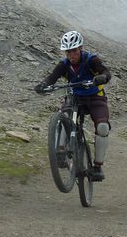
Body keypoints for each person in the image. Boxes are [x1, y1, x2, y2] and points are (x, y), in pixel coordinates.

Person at [34, 31, 111, 181]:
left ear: (80, 48)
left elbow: (106, 72)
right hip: (75, 98)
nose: (71, 55)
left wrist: (103, 77)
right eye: (68, 51)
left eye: (74, 50)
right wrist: (43, 85)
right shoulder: (64, 65)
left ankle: (97, 167)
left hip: (95, 97)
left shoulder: (91, 60)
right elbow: (52, 78)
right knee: (63, 116)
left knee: (102, 127)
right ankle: (61, 151)